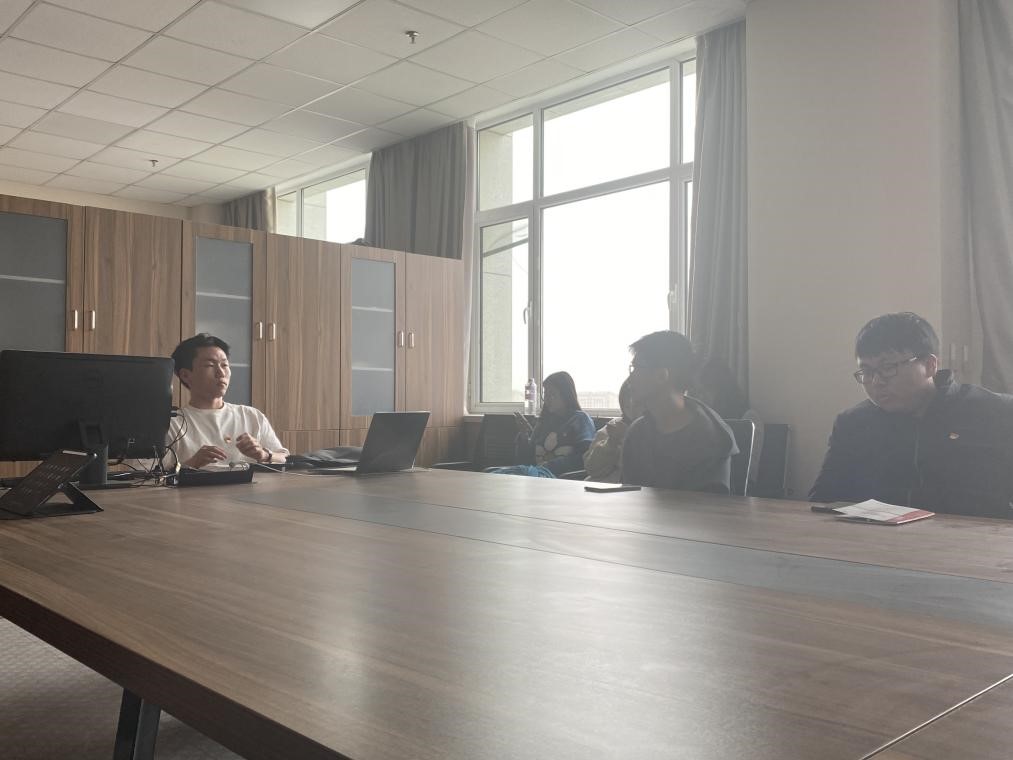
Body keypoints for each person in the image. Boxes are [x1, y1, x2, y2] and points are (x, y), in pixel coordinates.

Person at [810, 312, 1013, 517]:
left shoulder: (996, 414)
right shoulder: (854, 423)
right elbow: (823, 501)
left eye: (888, 367)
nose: (876, 382)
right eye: (867, 372)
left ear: (930, 365)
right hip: (874, 535)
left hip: (973, 535)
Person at [622, 330, 738, 493]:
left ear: (662, 375)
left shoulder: (710, 437)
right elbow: (629, 495)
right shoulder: (637, 432)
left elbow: (708, 505)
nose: (629, 379)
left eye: (636, 368)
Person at [167, 334, 289, 469]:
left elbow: (284, 458)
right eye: (210, 365)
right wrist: (192, 463)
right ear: (185, 375)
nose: (221, 373)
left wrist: (264, 455)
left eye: (224, 365)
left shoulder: (251, 416)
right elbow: (154, 475)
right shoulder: (172, 423)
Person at [488, 371, 596, 478]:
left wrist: (548, 466)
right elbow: (524, 462)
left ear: (566, 395)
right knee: (490, 474)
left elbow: (586, 456)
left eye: (552, 395)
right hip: (534, 475)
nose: (547, 399)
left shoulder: (580, 420)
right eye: (545, 394)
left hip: (558, 478)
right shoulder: (544, 422)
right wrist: (524, 435)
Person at [690, 356, 764, 486]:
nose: (701, 398)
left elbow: (747, 471)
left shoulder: (748, 418)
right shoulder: (701, 419)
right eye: (698, 393)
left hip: (733, 487)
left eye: (705, 391)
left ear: (721, 390)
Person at [582, 376, 642, 483]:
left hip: (630, 488)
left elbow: (642, 469)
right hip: (599, 486)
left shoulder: (655, 430)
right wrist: (611, 442)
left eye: (637, 398)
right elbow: (591, 468)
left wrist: (626, 439)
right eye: (627, 396)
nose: (631, 402)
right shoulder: (612, 427)